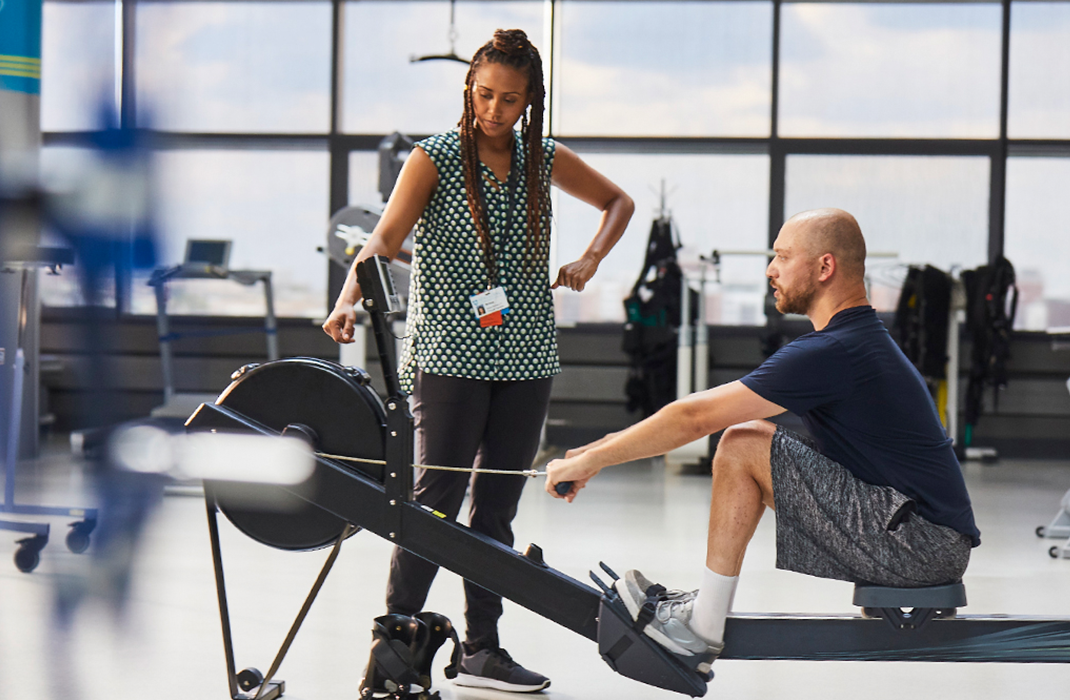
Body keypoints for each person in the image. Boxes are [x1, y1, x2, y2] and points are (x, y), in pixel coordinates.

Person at [323, 28, 634, 694]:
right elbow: (383, 238)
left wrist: (590, 258)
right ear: (469, 88)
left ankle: (481, 651)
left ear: (530, 101)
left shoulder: (542, 158)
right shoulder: (433, 158)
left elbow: (618, 202)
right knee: (433, 501)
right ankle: (395, 641)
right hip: (449, 356)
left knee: (495, 511)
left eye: (511, 100)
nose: (495, 111)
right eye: (485, 94)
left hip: (526, 355)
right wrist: (349, 297)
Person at [545, 208, 980, 672]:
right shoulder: (851, 340)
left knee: (742, 444)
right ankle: (705, 610)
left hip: (922, 545)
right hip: (923, 535)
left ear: (824, 267)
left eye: (782, 256)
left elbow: (695, 417)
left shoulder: (833, 350)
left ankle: (702, 625)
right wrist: (599, 448)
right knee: (752, 436)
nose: (771, 269)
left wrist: (590, 462)